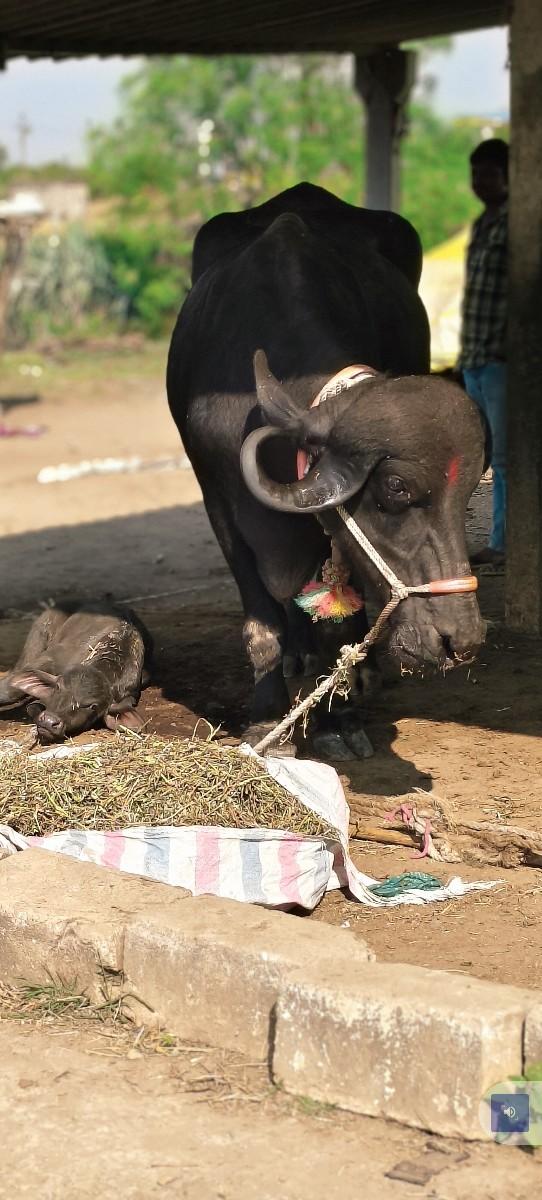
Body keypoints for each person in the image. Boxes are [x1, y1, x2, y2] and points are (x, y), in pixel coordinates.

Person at [460, 137, 508, 566]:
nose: (480, 182)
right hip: (474, 359)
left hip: (501, 361)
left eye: (489, 174)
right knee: (480, 453)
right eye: (476, 174)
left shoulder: (516, 224)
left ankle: (505, 543)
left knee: (507, 457)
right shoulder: (483, 223)